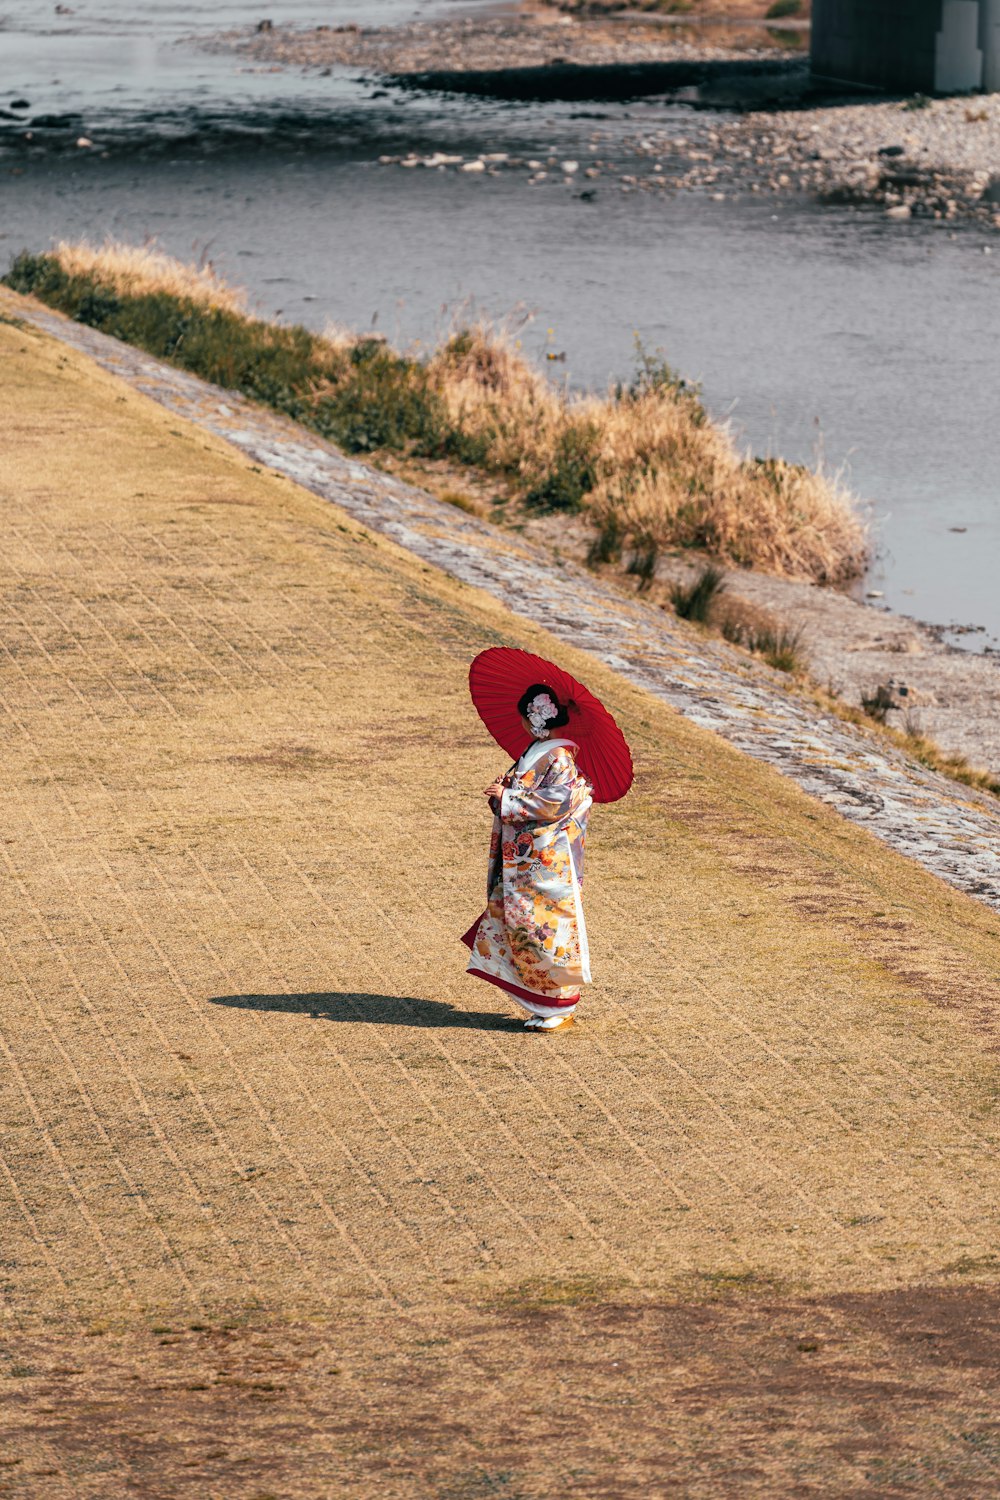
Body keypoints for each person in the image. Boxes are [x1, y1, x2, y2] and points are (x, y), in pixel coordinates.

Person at [461, 683, 593, 1032]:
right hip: (528, 857)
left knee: (543, 927)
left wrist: (510, 797)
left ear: (534, 719)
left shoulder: (559, 757)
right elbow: (526, 793)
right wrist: (504, 792)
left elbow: (556, 803)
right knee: (518, 922)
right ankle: (542, 1000)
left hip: (544, 860)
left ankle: (558, 1003)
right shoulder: (538, 751)